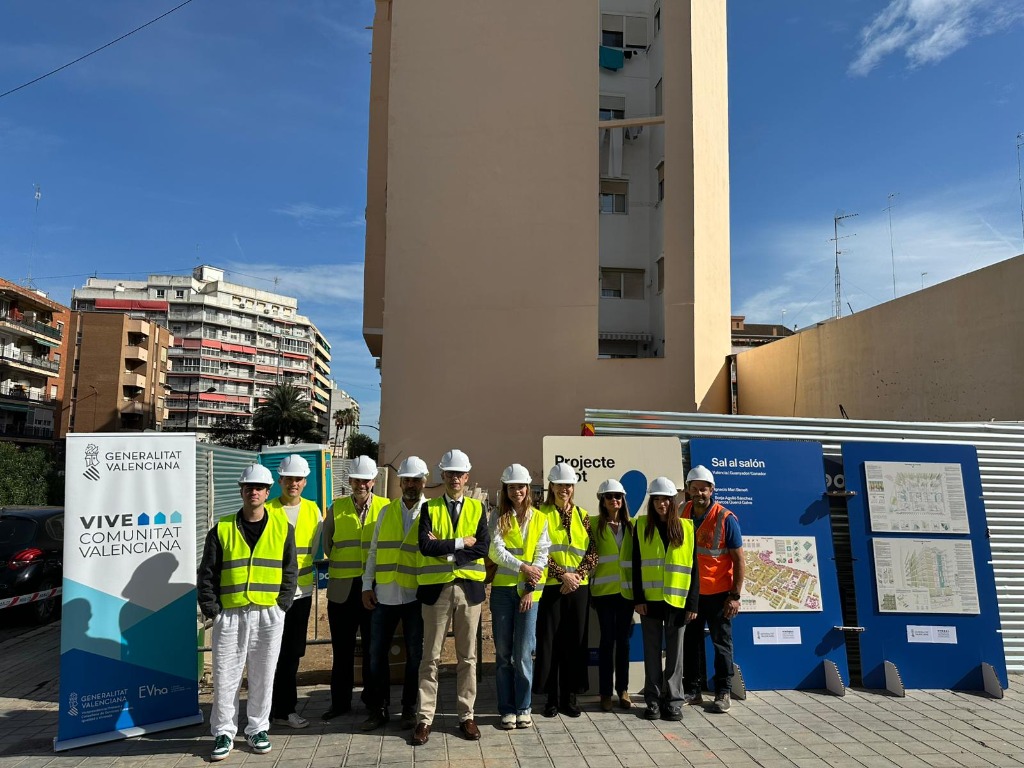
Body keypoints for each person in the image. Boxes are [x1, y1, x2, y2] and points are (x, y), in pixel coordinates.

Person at [198, 463, 297, 761]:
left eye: (259, 487)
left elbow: (290, 570)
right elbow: (207, 573)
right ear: (241, 490)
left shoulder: (283, 528)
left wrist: (282, 604)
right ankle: (224, 732)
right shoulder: (222, 529)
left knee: (264, 674)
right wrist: (213, 610)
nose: (254, 491)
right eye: (249, 487)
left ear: (267, 492)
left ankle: (257, 729)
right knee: (225, 675)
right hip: (231, 613)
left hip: (268, 612)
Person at [411, 449, 490, 746]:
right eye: (450, 473)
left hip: (469, 591)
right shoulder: (429, 508)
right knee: (430, 657)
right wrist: (459, 543)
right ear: (442, 475)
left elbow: (482, 547)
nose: (455, 478)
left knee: (467, 658)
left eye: (460, 474)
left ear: (467, 477)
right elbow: (425, 546)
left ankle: (466, 716)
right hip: (437, 592)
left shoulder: (478, 508)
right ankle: (425, 719)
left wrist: (446, 551)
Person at [360, 456, 429, 731]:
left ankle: (409, 709)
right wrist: (367, 585)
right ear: (400, 482)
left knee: (415, 656)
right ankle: (378, 709)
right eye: (407, 480)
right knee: (376, 655)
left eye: (416, 480)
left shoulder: (431, 512)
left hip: (415, 595)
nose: (410, 484)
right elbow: (374, 551)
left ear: (424, 482)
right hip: (385, 594)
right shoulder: (386, 512)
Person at [622, 477, 699, 721]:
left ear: (673, 501)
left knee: (676, 656)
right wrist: (638, 599)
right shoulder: (641, 525)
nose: (661, 504)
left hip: (678, 601)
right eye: (656, 500)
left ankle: (674, 701)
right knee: (652, 652)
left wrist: (693, 603)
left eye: (665, 499)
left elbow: (694, 569)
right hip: (650, 601)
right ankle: (653, 700)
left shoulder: (687, 528)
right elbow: (636, 565)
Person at [322, 455, 390, 721]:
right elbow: (328, 545)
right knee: (342, 650)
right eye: (356, 480)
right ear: (349, 481)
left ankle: (374, 702)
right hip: (342, 590)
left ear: (373, 481)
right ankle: (340, 703)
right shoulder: (336, 508)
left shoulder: (386, 507)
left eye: (366, 480)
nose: (361, 485)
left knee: (374, 650)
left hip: (373, 589)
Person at [488, 464, 550, 730]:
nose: (516, 491)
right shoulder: (497, 516)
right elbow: (495, 552)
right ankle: (507, 709)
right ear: (506, 490)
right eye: (511, 487)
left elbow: (542, 555)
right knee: (503, 654)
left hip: (529, 592)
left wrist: (529, 588)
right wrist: (523, 568)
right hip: (503, 591)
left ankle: (524, 707)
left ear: (528, 488)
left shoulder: (540, 519)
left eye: (520, 486)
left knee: (523, 653)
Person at [533, 462, 597, 718]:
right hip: (551, 588)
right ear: (551, 486)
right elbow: (537, 550)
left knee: (575, 643)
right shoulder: (540, 513)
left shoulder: (582, 515)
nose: (564, 489)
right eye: (560, 485)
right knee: (550, 644)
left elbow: (592, 552)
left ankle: (569, 698)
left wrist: (577, 576)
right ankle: (551, 698)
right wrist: (562, 575)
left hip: (578, 589)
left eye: (568, 485)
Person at [680, 464, 744, 714]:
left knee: (721, 644)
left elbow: (739, 560)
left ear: (712, 490)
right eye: (695, 488)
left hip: (719, 595)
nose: (699, 493)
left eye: (704, 489)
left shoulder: (725, 518)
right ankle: (693, 690)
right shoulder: (682, 511)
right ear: (688, 489)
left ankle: (723, 691)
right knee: (691, 643)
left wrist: (734, 596)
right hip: (691, 593)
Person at [267, 455, 323, 730]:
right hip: (271, 595)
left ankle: (284, 710)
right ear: (280, 480)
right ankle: (266, 710)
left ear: (305, 482)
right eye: (289, 478)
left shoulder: (313, 510)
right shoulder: (268, 510)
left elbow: (314, 549)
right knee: (268, 654)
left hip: (301, 594)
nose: (294, 483)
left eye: (298, 479)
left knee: (291, 654)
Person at [590, 478, 635, 712]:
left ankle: (623, 690)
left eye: (618, 496)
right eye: (609, 496)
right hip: (603, 593)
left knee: (624, 642)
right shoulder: (592, 524)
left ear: (623, 499)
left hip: (627, 593)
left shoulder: (632, 526)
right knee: (607, 642)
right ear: (602, 500)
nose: (614, 500)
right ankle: (605, 693)